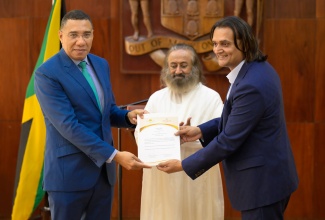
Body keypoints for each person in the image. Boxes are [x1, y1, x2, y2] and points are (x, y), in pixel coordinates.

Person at [157, 16, 299, 220]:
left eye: (225, 44)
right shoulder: (255, 70)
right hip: (269, 178)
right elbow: (236, 118)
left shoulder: (252, 84)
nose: (217, 50)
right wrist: (200, 130)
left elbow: (228, 141)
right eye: (215, 43)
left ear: (244, 43)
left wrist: (182, 165)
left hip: (262, 185)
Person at [34, 10, 151, 220]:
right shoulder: (47, 73)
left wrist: (126, 117)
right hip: (68, 176)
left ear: (93, 35)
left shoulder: (100, 64)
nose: (81, 41)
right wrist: (114, 155)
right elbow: (68, 126)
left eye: (86, 34)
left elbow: (105, 111)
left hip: (102, 176)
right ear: (61, 35)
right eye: (74, 35)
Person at [134, 44, 224, 220]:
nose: (178, 71)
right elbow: (141, 134)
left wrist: (195, 137)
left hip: (199, 173)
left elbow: (222, 134)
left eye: (184, 65)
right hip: (162, 177)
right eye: (173, 65)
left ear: (195, 68)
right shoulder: (156, 98)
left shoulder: (211, 97)